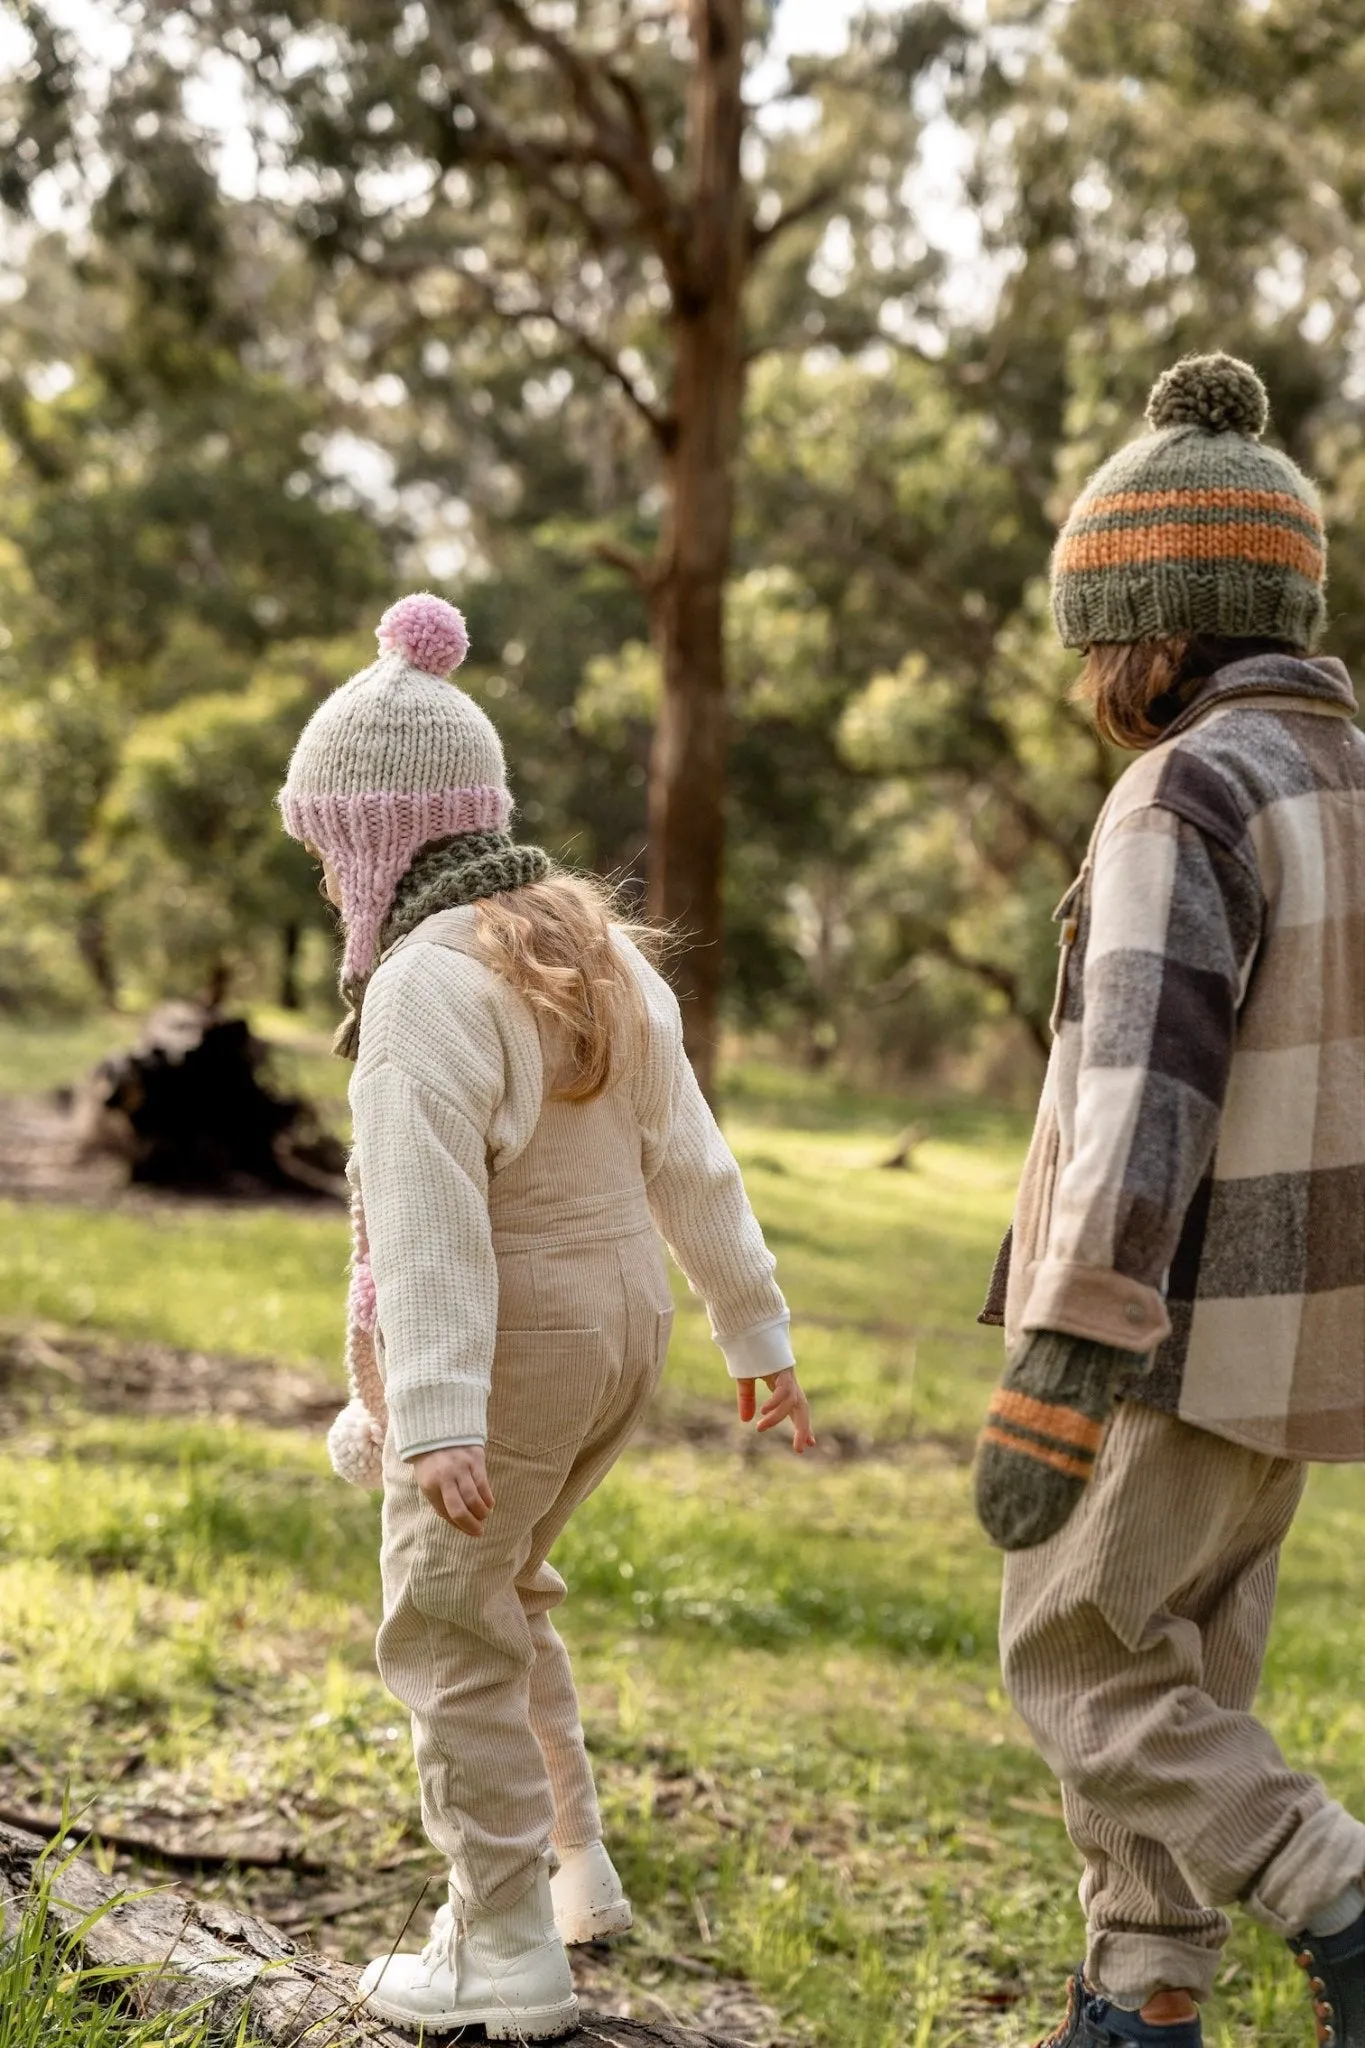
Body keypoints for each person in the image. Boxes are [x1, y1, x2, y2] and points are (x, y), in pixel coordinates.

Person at [278, 592, 814, 2040]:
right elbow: (692, 1160)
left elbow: (435, 1225)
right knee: (508, 1587)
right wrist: (754, 1334)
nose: (332, 881)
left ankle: (501, 1941)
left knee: (447, 1623)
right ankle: (572, 1866)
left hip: (508, 1348)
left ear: (374, 840)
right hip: (619, 1332)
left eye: (331, 849)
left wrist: (437, 1414)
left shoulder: (420, 990)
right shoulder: (594, 951)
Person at [974, 354, 1365, 2048]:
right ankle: (1142, 1992)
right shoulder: (1344, 779)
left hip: (1175, 1319)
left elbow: (1146, 1096)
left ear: (1147, 628)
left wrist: (1071, 1347)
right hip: (1312, 1326)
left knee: (1076, 1655)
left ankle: (1337, 1889)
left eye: (1091, 642)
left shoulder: (1186, 792)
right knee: (1186, 1658)